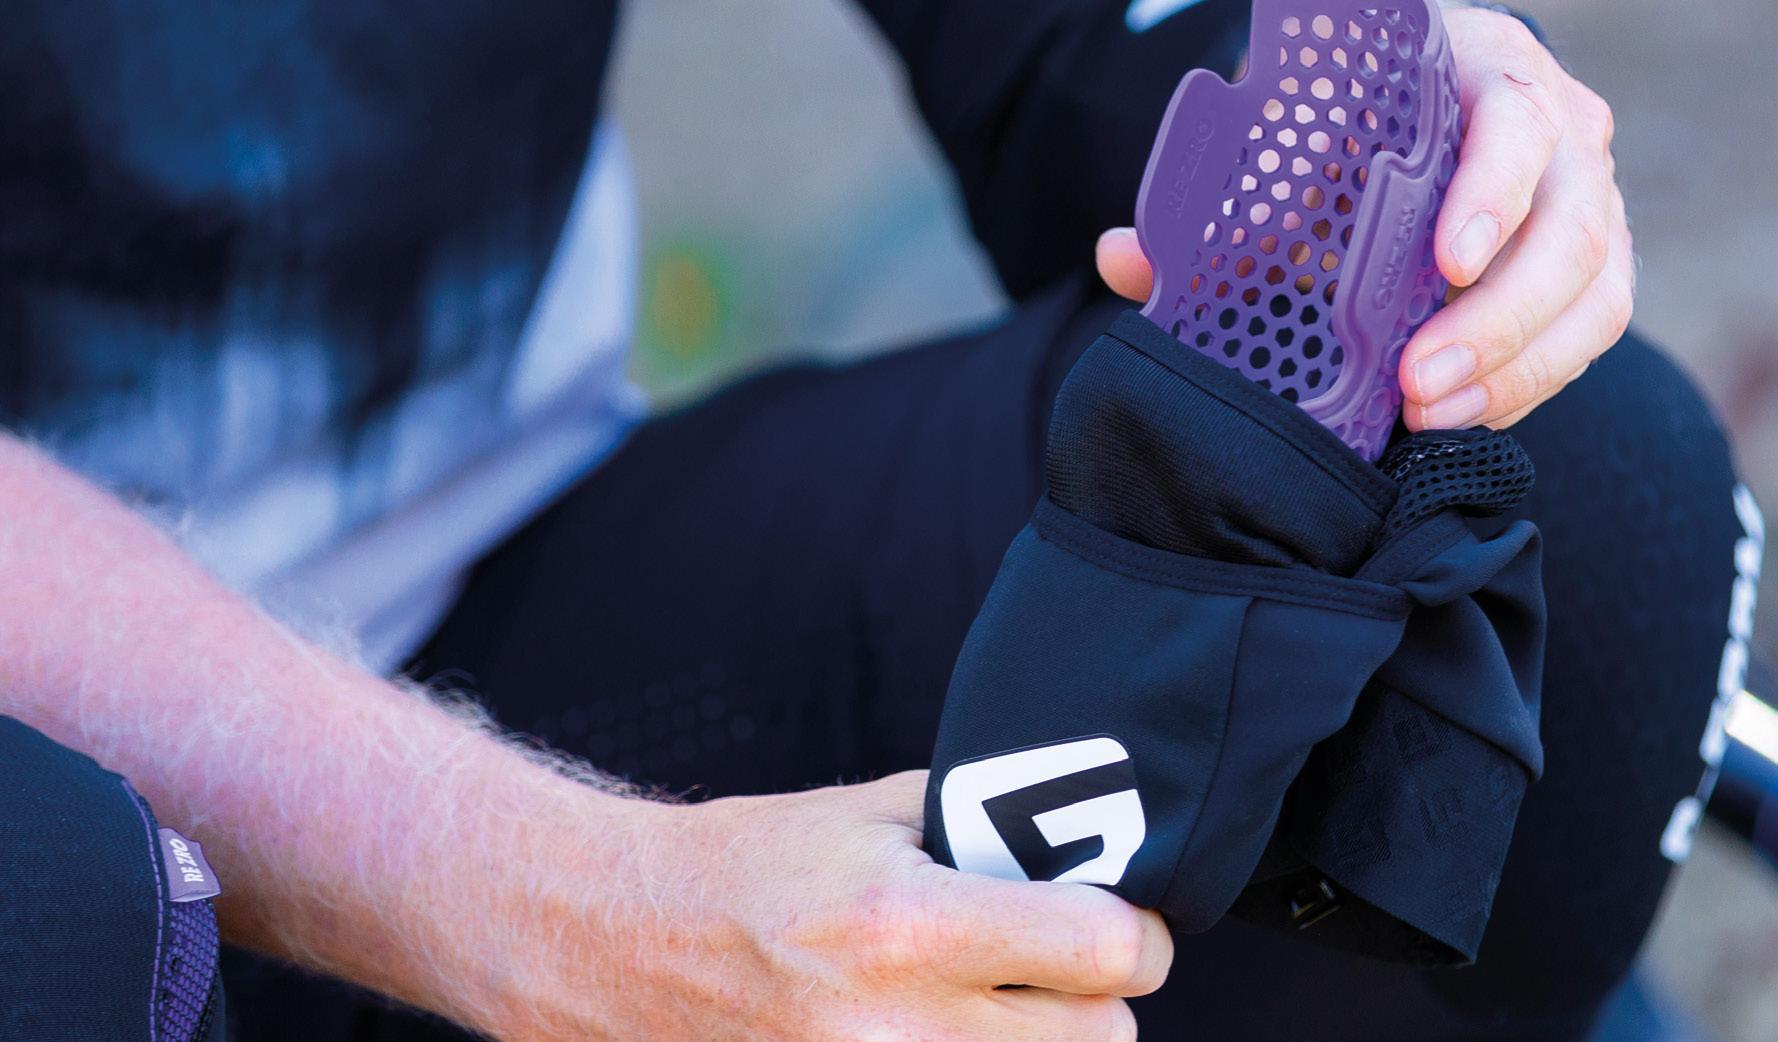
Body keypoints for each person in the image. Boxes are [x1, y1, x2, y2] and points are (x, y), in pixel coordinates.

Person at [0, 1, 1749, 1040]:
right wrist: (548, 904)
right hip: (56, 820)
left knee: (1571, 505)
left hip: (503, 579)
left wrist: (1378, 93)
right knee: (57, 910)